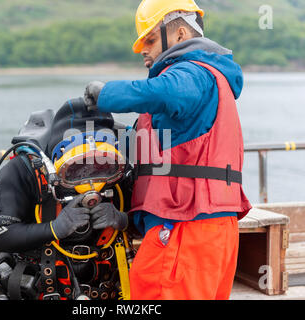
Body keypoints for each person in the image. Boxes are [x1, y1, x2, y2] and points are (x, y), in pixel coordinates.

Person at [83, 0, 252, 300]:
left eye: (149, 40)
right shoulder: (211, 80)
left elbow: (161, 92)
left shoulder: (192, 75)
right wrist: (127, 220)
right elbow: (168, 162)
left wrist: (105, 94)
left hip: (186, 233)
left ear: (180, 34)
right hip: (213, 231)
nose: (144, 51)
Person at [0, 97, 135, 300]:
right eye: (78, 168)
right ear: (57, 162)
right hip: (43, 285)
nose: (91, 181)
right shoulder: (24, 169)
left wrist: (122, 220)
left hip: (105, 286)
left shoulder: (122, 171)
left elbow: (157, 225)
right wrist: (54, 228)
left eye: (102, 166)